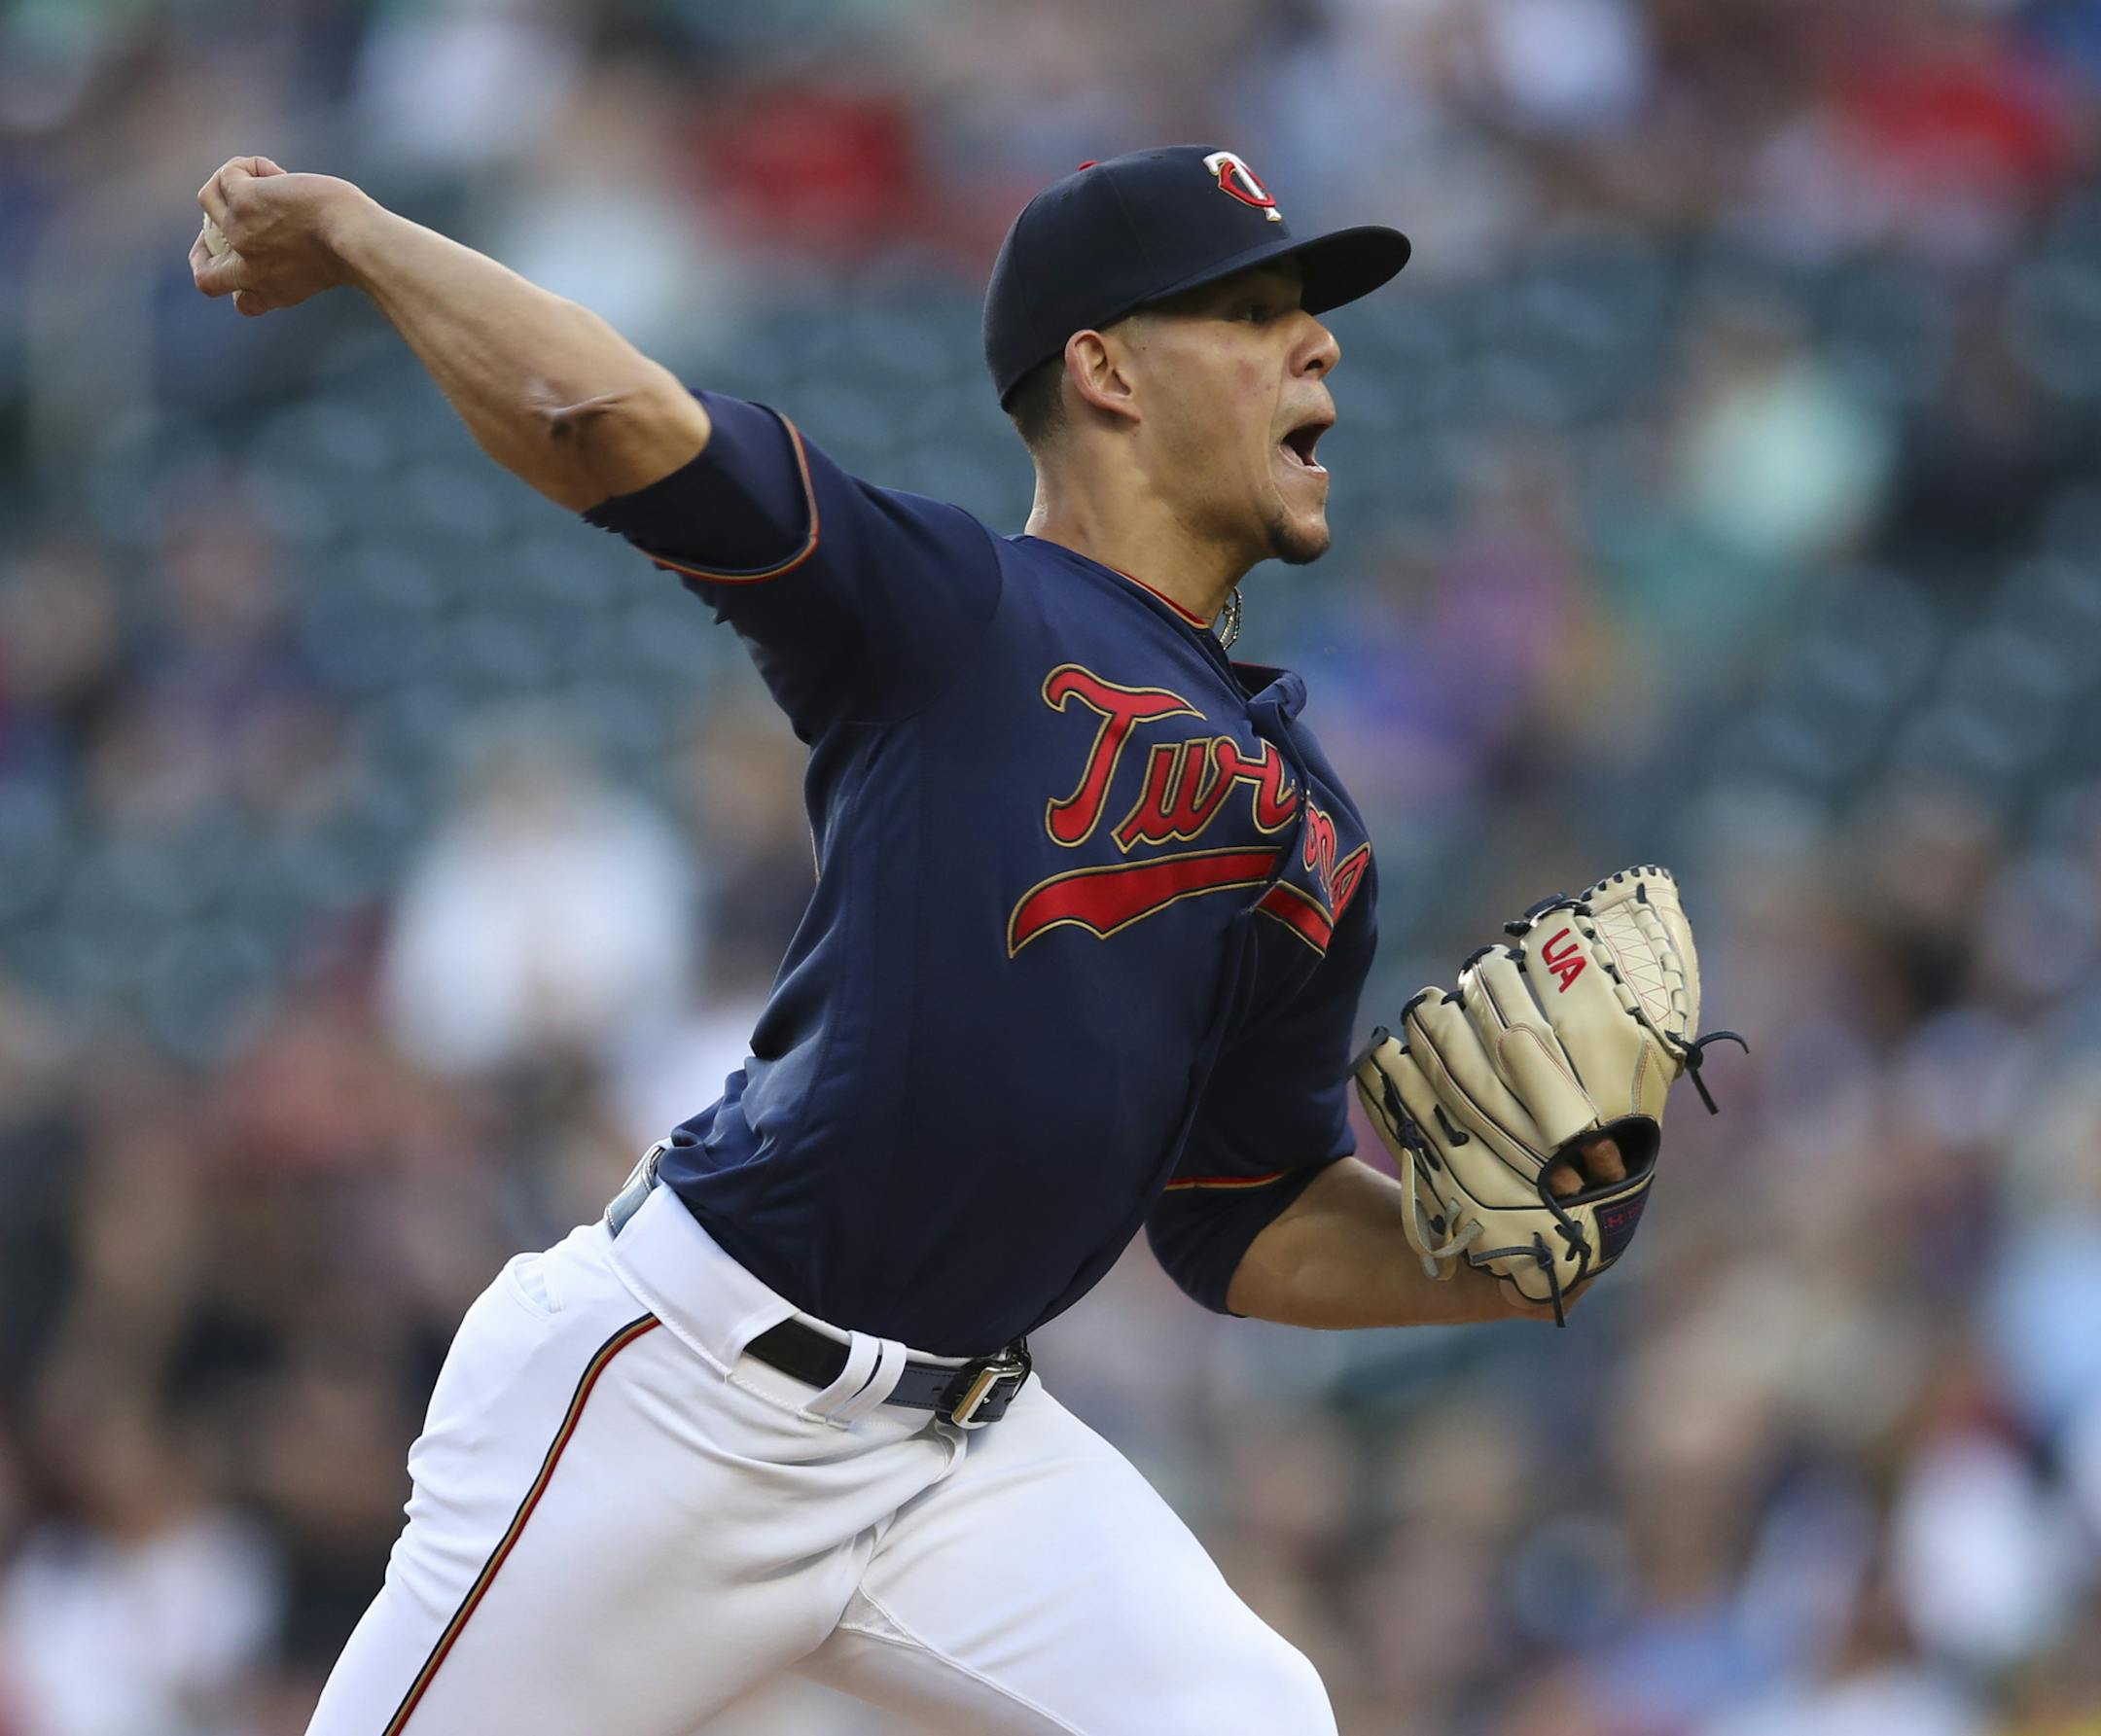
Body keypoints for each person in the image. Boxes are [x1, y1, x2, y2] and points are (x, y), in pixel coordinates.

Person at [192, 144, 1625, 1735]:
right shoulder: (959, 611)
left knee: (1252, 1713)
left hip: (957, 1462)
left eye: (1312, 314)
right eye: (1256, 310)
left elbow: (1245, 1221)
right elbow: (601, 422)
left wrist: (1494, 1255)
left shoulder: (1312, 821)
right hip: (684, 1394)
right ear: (1104, 370)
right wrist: (358, 229)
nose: (1321, 344)